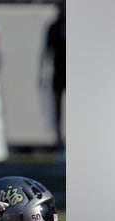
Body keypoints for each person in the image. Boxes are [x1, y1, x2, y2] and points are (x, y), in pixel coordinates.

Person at [40, 1, 65, 153]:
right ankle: (58, 140)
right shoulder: (54, 27)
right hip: (59, 72)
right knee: (57, 107)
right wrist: (42, 73)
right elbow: (46, 52)